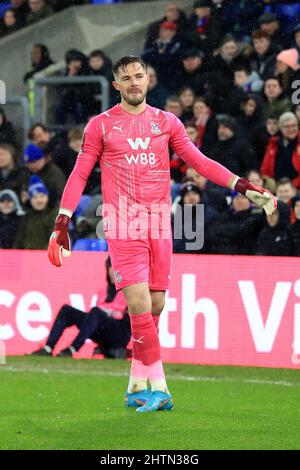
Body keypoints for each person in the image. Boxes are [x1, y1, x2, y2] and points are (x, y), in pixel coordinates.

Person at [47, 55, 276, 413]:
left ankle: (136, 383)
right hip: (123, 224)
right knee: (137, 303)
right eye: (127, 78)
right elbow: (78, 175)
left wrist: (244, 187)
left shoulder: (166, 122)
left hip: (159, 223)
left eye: (139, 75)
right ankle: (161, 387)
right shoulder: (101, 126)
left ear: (148, 80)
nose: (135, 82)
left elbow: (199, 161)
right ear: (116, 83)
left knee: (155, 306)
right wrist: (62, 220)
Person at [30, 256, 131, 358]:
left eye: (117, 269)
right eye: (111, 268)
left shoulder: (130, 291)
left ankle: (73, 348)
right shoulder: (103, 291)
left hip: (119, 334)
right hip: (103, 330)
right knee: (67, 311)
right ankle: (48, 347)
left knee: (96, 312)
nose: (113, 272)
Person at [14, 175, 56, 250]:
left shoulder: (53, 216)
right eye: (34, 197)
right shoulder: (26, 217)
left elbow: (55, 242)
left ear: (47, 197)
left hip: (45, 257)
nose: (39, 200)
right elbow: (19, 241)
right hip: (27, 256)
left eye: (42, 196)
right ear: (30, 200)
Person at [261, 112, 300, 188]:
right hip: (277, 187)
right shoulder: (273, 144)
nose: (291, 129)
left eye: (293, 125)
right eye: (287, 127)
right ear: (280, 128)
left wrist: (292, 186)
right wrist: (270, 182)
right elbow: (265, 169)